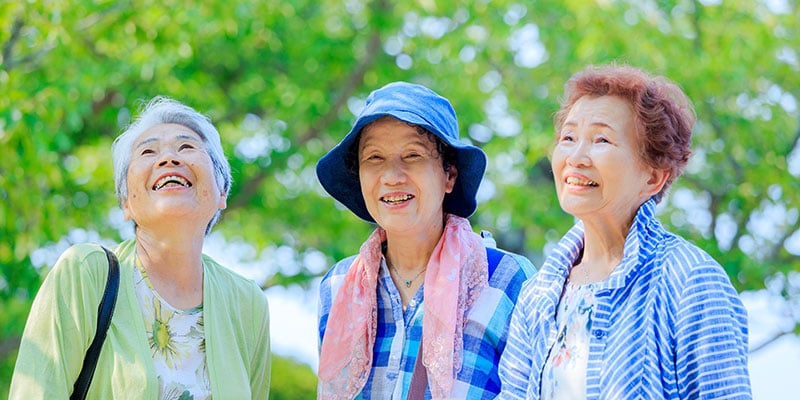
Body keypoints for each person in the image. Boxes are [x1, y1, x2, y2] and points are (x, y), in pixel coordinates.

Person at [497, 65, 751, 399]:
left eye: (601, 139)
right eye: (568, 138)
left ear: (653, 177)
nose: (576, 157)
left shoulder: (691, 281)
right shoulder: (538, 294)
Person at [9, 97, 271, 399]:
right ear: (126, 203)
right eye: (148, 151)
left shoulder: (248, 302)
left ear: (222, 191)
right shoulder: (85, 273)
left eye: (186, 147)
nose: (169, 159)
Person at [315, 81, 536, 399]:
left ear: (449, 175)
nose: (392, 176)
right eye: (374, 158)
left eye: (413, 155)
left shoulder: (507, 279)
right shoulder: (337, 287)